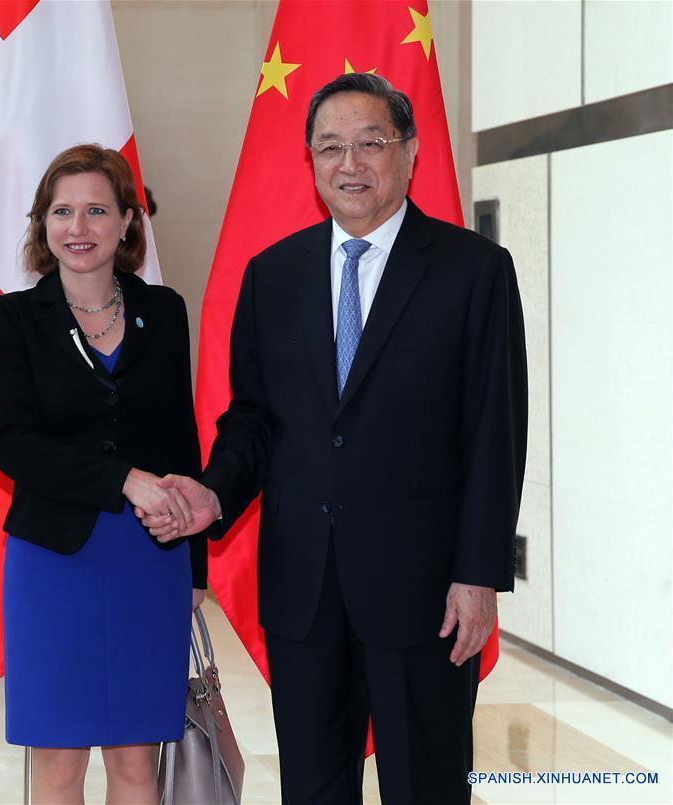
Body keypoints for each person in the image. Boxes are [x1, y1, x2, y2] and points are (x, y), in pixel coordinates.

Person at [139, 73, 528, 804]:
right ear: (311, 160)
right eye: (330, 147)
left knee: (426, 786)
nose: (350, 164)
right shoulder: (273, 275)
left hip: (425, 591)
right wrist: (214, 492)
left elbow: (494, 434)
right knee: (314, 788)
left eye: (371, 143)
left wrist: (479, 574)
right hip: (305, 590)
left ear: (409, 151)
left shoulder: (473, 271)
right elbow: (254, 418)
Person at [0, 144, 207, 805]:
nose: (78, 227)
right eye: (62, 211)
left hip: (151, 560)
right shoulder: (14, 319)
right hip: (53, 561)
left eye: (97, 210)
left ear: (128, 221)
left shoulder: (165, 310)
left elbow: (182, 438)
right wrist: (123, 479)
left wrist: (194, 565)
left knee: (137, 762)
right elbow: (11, 444)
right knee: (58, 765)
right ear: (42, 223)